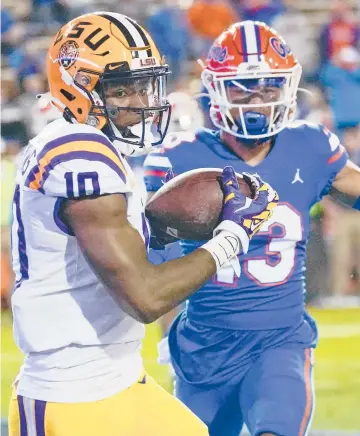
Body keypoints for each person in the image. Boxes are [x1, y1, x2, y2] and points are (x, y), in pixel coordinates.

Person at [7, 12, 278, 436]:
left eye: (142, 85)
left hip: (120, 377)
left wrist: (162, 226)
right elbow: (146, 298)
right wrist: (232, 236)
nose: (138, 100)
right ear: (79, 85)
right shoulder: (77, 154)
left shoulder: (91, 146)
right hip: (74, 395)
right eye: (121, 89)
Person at [143, 20, 360, 436]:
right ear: (217, 89)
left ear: (288, 88)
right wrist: (166, 338)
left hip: (279, 343)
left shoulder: (311, 146)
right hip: (203, 346)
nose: (257, 98)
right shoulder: (178, 160)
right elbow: (162, 267)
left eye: (269, 86)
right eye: (243, 86)